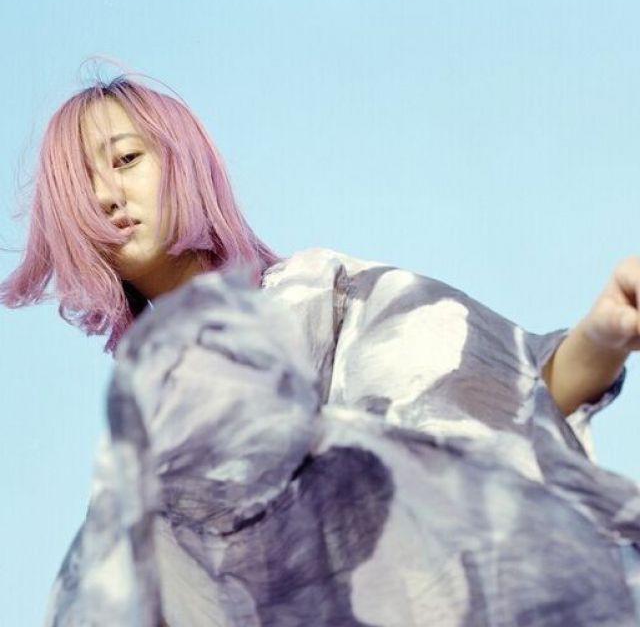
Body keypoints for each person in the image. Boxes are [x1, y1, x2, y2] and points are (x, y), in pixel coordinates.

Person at [2, 74, 640, 626]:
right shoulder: (135, 452)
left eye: (125, 159)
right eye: (81, 188)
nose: (106, 197)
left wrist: (601, 335)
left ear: (182, 160)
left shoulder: (320, 294)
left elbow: (494, 396)